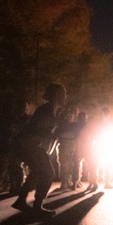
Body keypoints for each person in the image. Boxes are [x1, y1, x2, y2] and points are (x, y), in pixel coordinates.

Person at [11, 84, 67, 216]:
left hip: (28, 144)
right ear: (56, 95)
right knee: (47, 172)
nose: (65, 97)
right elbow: (41, 130)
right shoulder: (46, 110)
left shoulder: (51, 110)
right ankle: (37, 206)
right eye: (63, 94)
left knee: (37, 171)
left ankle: (21, 200)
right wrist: (55, 127)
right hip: (28, 144)